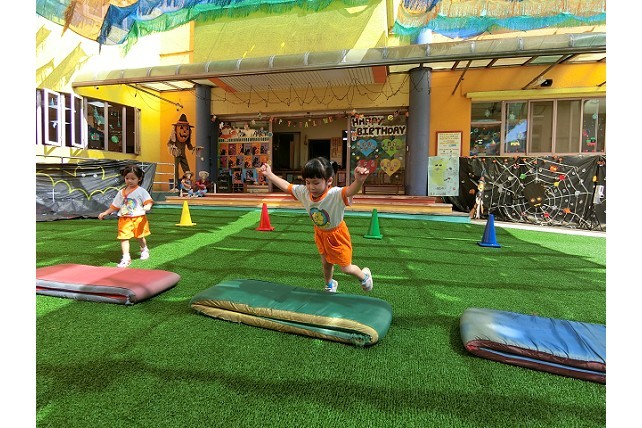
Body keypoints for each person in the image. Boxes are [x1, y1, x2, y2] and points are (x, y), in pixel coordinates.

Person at [259, 157, 373, 293]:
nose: (311, 187)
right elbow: (287, 186)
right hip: (320, 233)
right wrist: (270, 174)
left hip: (337, 235)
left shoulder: (335, 194)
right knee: (326, 263)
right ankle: (330, 284)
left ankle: (364, 276)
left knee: (346, 268)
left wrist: (359, 181)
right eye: (307, 182)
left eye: (316, 183)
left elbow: (351, 191)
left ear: (329, 181)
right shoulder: (305, 192)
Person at [98, 165, 153, 268]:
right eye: (127, 178)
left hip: (138, 218)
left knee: (140, 236)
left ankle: (144, 249)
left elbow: (148, 201)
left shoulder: (141, 191)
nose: (129, 181)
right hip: (124, 219)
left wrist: (147, 206)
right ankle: (126, 258)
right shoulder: (121, 192)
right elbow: (115, 206)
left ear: (139, 179)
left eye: (133, 178)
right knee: (123, 238)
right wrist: (106, 212)